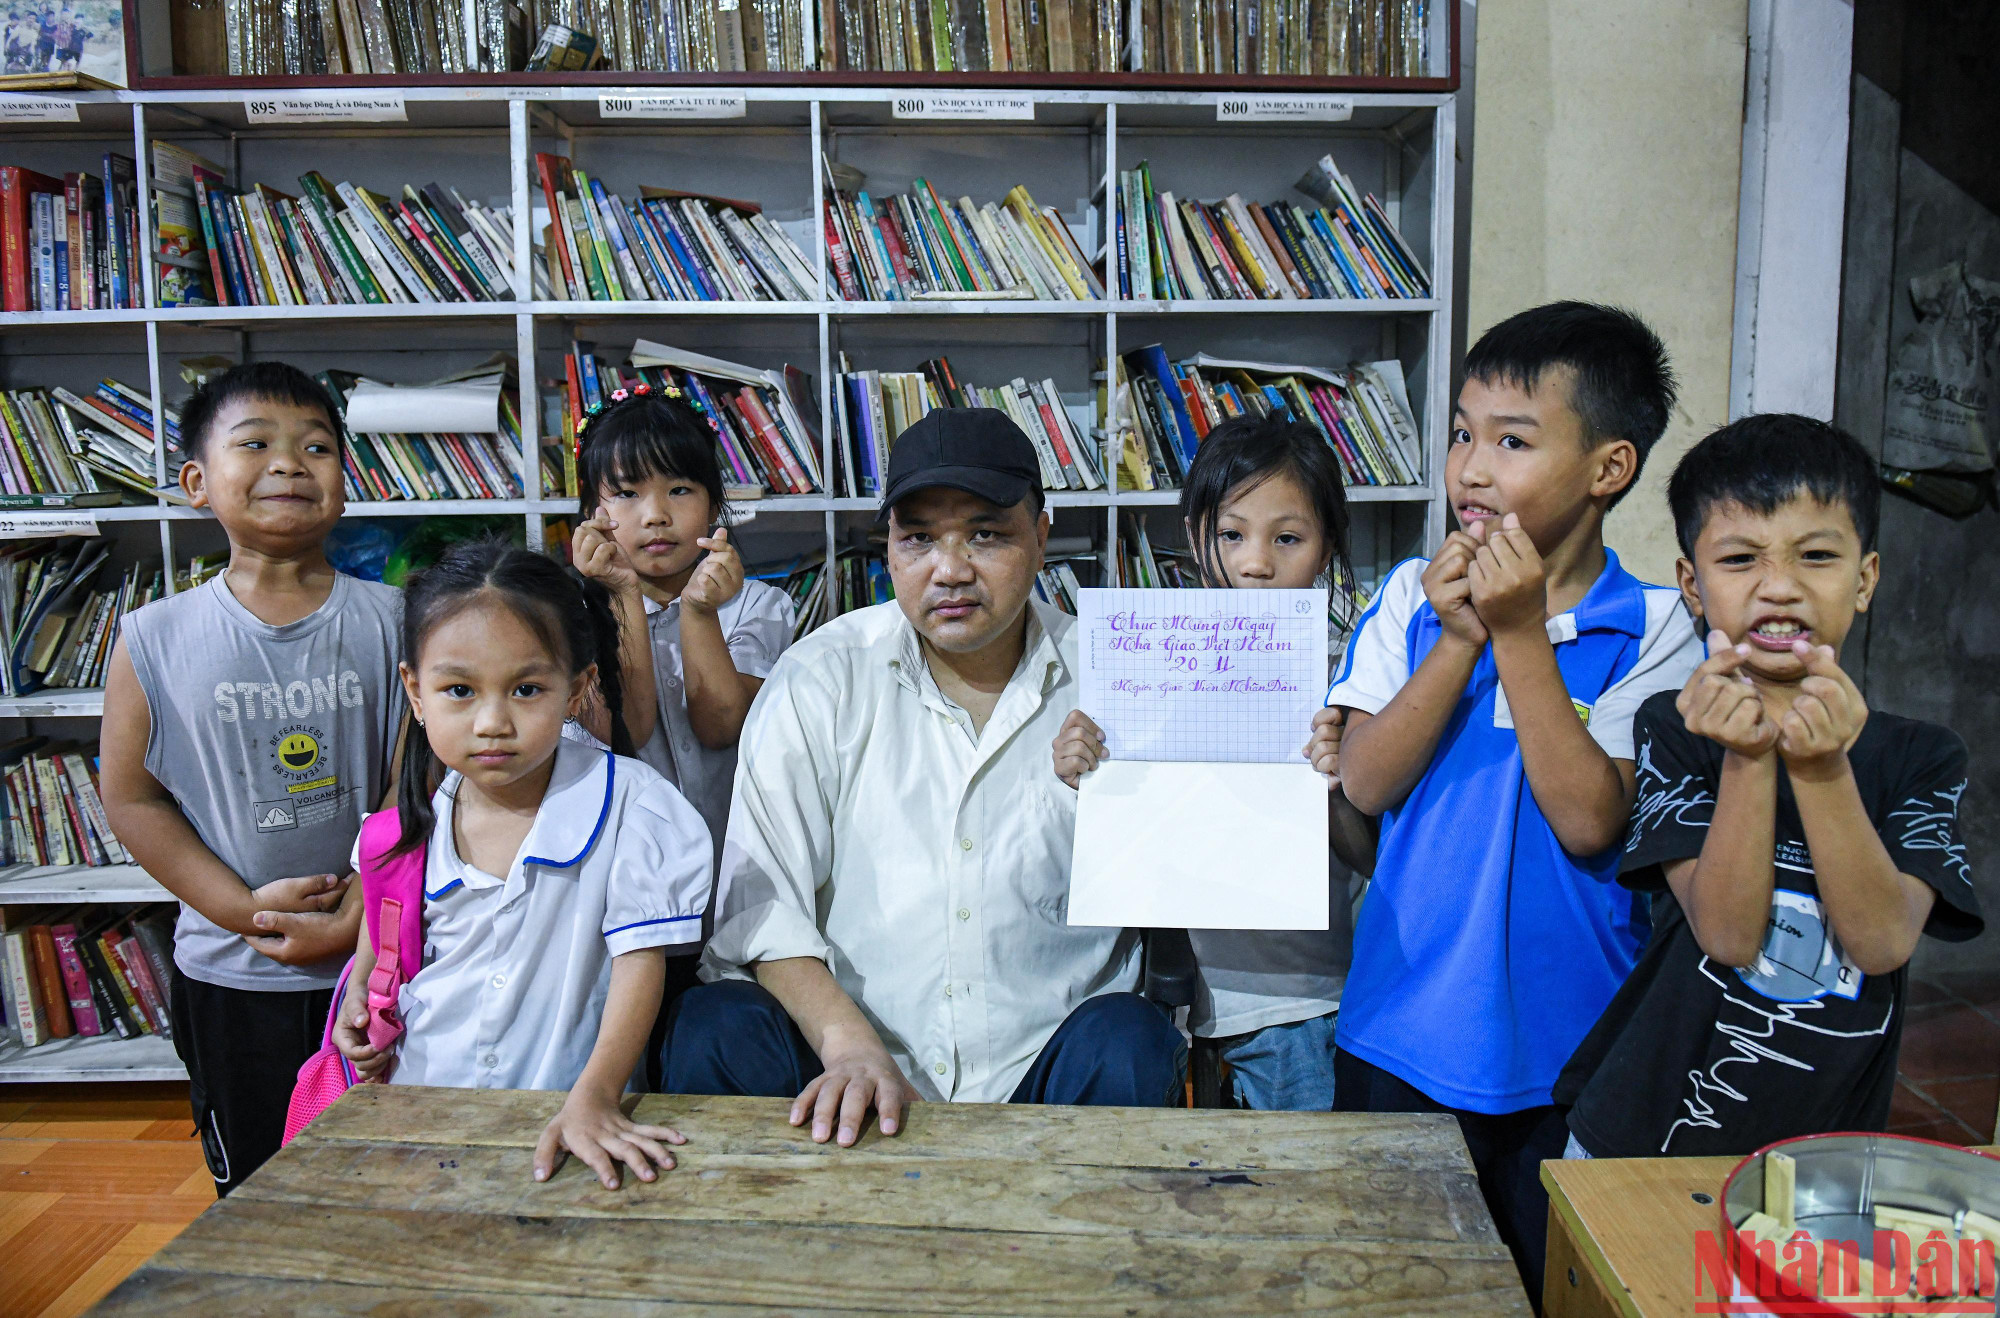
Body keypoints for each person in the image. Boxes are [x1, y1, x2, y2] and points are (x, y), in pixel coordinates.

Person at [665, 407, 1182, 1144]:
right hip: (845, 1068)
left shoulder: (1125, 676)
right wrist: (850, 1048)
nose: (951, 569)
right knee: (712, 1024)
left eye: (986, 534)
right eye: (919, 539)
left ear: (1041, 536)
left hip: (1050, 1074)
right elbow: (762, 905)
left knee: (1131, 1038)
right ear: (889, 550)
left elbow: (1193, 864)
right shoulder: (822, 677)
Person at [1325, 302, 1700, 1299]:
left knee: (1548, 1283)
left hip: (1569, 1044)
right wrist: (1456, 640)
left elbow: (1588, 819)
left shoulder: (1656, 629)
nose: (1470, 469)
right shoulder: (1410, 595)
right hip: (1398, 1023)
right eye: (1459, 432)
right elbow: (1362, 782)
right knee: (1393, 1282)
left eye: (1511, 440)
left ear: (1606, 469)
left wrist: (1517, 632)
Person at [1555, 415, 1983, 1159]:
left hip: (1824, 1151)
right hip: (1642, 1131)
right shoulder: (1677, 729)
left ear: (1865, 579)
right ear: (1693, 584)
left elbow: (1880, 942)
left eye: (1817, 556)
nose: (1778, 587)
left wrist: (1821, 769)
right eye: (1740, 558)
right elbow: (1726, 934)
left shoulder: (1921, 756)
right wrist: (1749, 756)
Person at [99, 362, 404, 1196]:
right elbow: (131, 796)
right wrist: (243, 909)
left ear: (347, 476)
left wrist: (357, 918)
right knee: (261, 1184)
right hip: (234, 973)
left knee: (390, 1174)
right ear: (197, 482)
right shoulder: (152, 637)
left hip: (379, 964)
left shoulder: (395, 621)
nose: (288, 463)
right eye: (256, 445)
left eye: (316, 446)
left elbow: (406, 787)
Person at [332, 540, 712, 1191]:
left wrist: (597, 1093)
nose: (492, 722)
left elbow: (638, 968)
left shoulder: (632, 806)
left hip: (571, 1123)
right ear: (415, 693)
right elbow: (380, 940)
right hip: (424, 1114)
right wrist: (356, 1011)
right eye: (458, 690)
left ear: (579, 688)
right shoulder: (399, 832)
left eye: (526, 689)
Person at [1051, 413, 1374, 1110]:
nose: (1256, 562)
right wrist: (1085, 767)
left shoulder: (1351, 683)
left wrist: (1330, 783)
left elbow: (1372, 855)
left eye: (1287, 538)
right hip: (1176, 1002)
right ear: (1197, 536)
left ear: (1326, 548)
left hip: (1298, 1005)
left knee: (1296, 1195)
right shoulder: (1154, 662)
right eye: (1232, 534)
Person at [566, 382, 795, 874]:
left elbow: (720, 728)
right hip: (628, 870)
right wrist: (622, 593)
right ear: (592, 515)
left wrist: (699, 612)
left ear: (714, 506)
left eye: (679, 490)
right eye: (626, 494)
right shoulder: (571, 618)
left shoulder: (761, 605)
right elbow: (630, 728)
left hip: (739, 860)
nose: (655, 515)